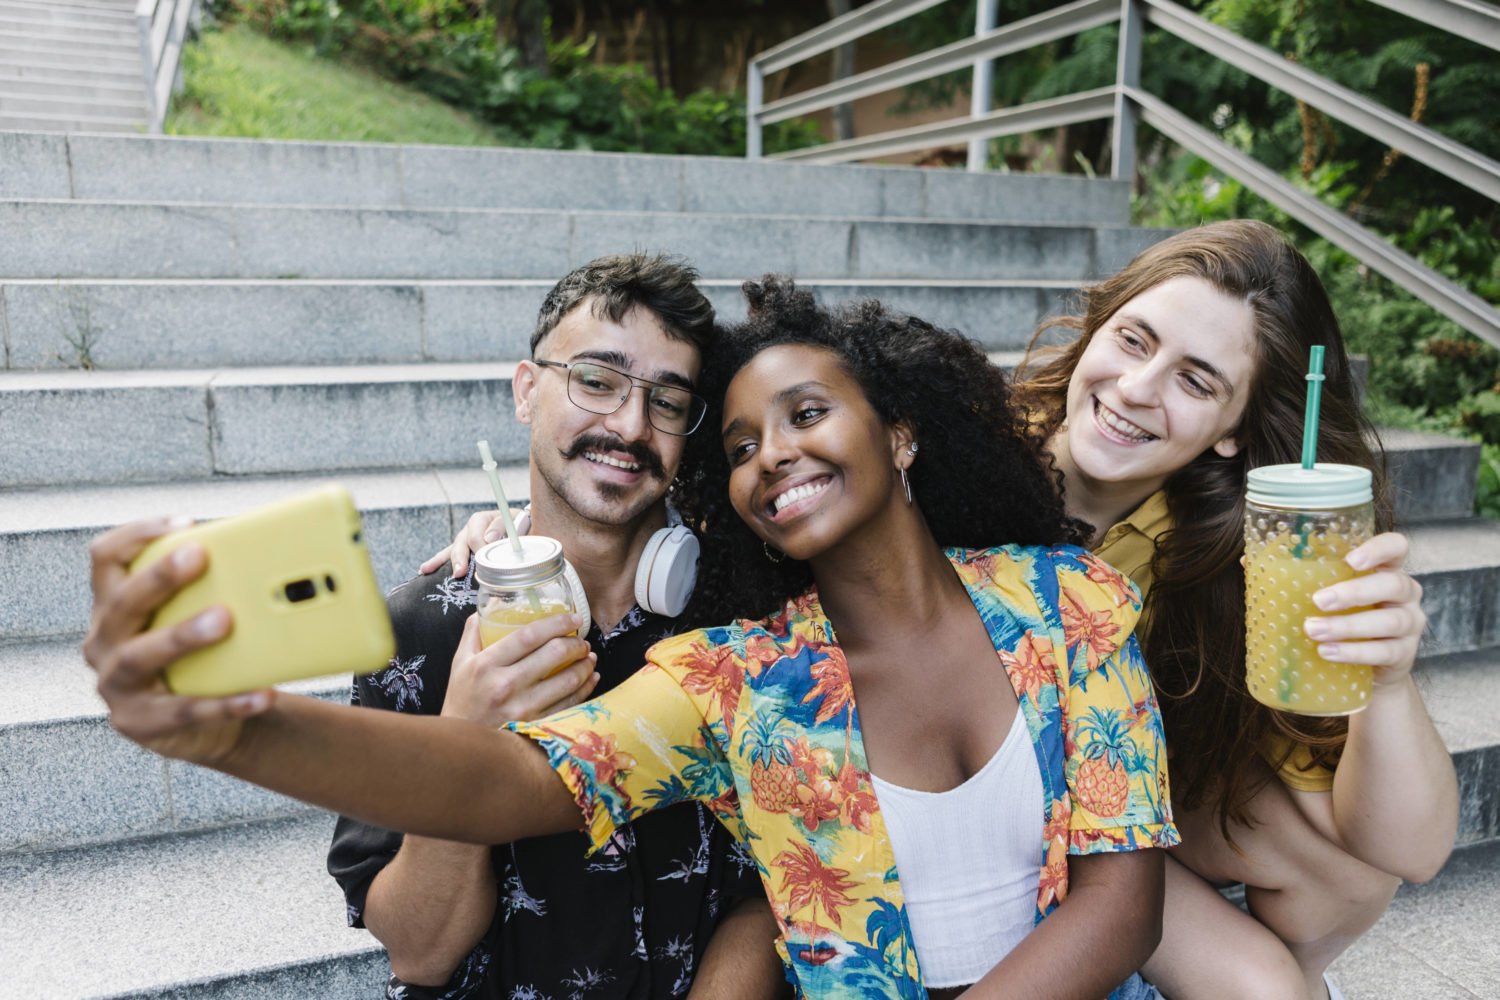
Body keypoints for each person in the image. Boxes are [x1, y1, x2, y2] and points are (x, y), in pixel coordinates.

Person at [85, 278, 1178, 999]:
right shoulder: (741, 676)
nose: (772, 457)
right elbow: (507, 781)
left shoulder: (1068, 602)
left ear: (897, 433)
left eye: (806, 414)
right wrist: (234, 729)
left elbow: (1124, 905)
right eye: (740, 446)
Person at [1010, 219, 1459, 1000]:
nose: (1138, 388)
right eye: (1134, 340)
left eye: (1196, 381)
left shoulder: (1236, 552)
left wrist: (1386, 680)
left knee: (1339, 881)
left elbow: (1412, 852)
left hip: (1112, 815)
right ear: (1095, 330)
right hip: (966, 802)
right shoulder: (963, 455)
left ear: (1232, 432)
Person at [328, 252, 785, 999]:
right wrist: (465, 738)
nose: (630, 426)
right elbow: (418, 955)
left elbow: (780, 873)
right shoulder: (419, 631)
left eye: (666, 402)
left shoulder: (738, 611)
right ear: (527, 390)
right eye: (596, 382)